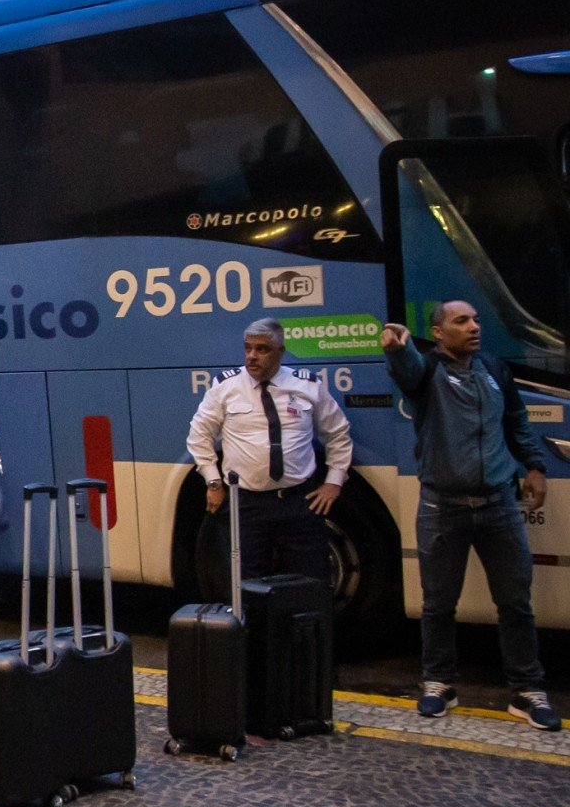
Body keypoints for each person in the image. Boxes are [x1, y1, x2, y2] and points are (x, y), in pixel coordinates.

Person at [382, 305, 559, 729]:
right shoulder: (426, 372)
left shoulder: (494, 369)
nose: (475, 327)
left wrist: (534, 465)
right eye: (462, 322)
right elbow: (406, 375)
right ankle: (438, 683)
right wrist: (396, 350)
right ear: (438, 333)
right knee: (438, 604)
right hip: (442, 508)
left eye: (476, 319)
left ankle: (526, 690)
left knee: (516, 602)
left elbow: (516, 421)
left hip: (500, 504)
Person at [185, 317, 351, 586]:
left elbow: (338, 433)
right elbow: (199, 436)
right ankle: (255, 630)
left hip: (299, 502)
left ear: (281, 352)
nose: (252, 356)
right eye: (248, 348)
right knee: (247, 587)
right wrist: (213, 482)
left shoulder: (306, 385)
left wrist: (334, 481)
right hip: (246, 506)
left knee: (311, 584)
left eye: (262, 349)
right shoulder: (225, 388)